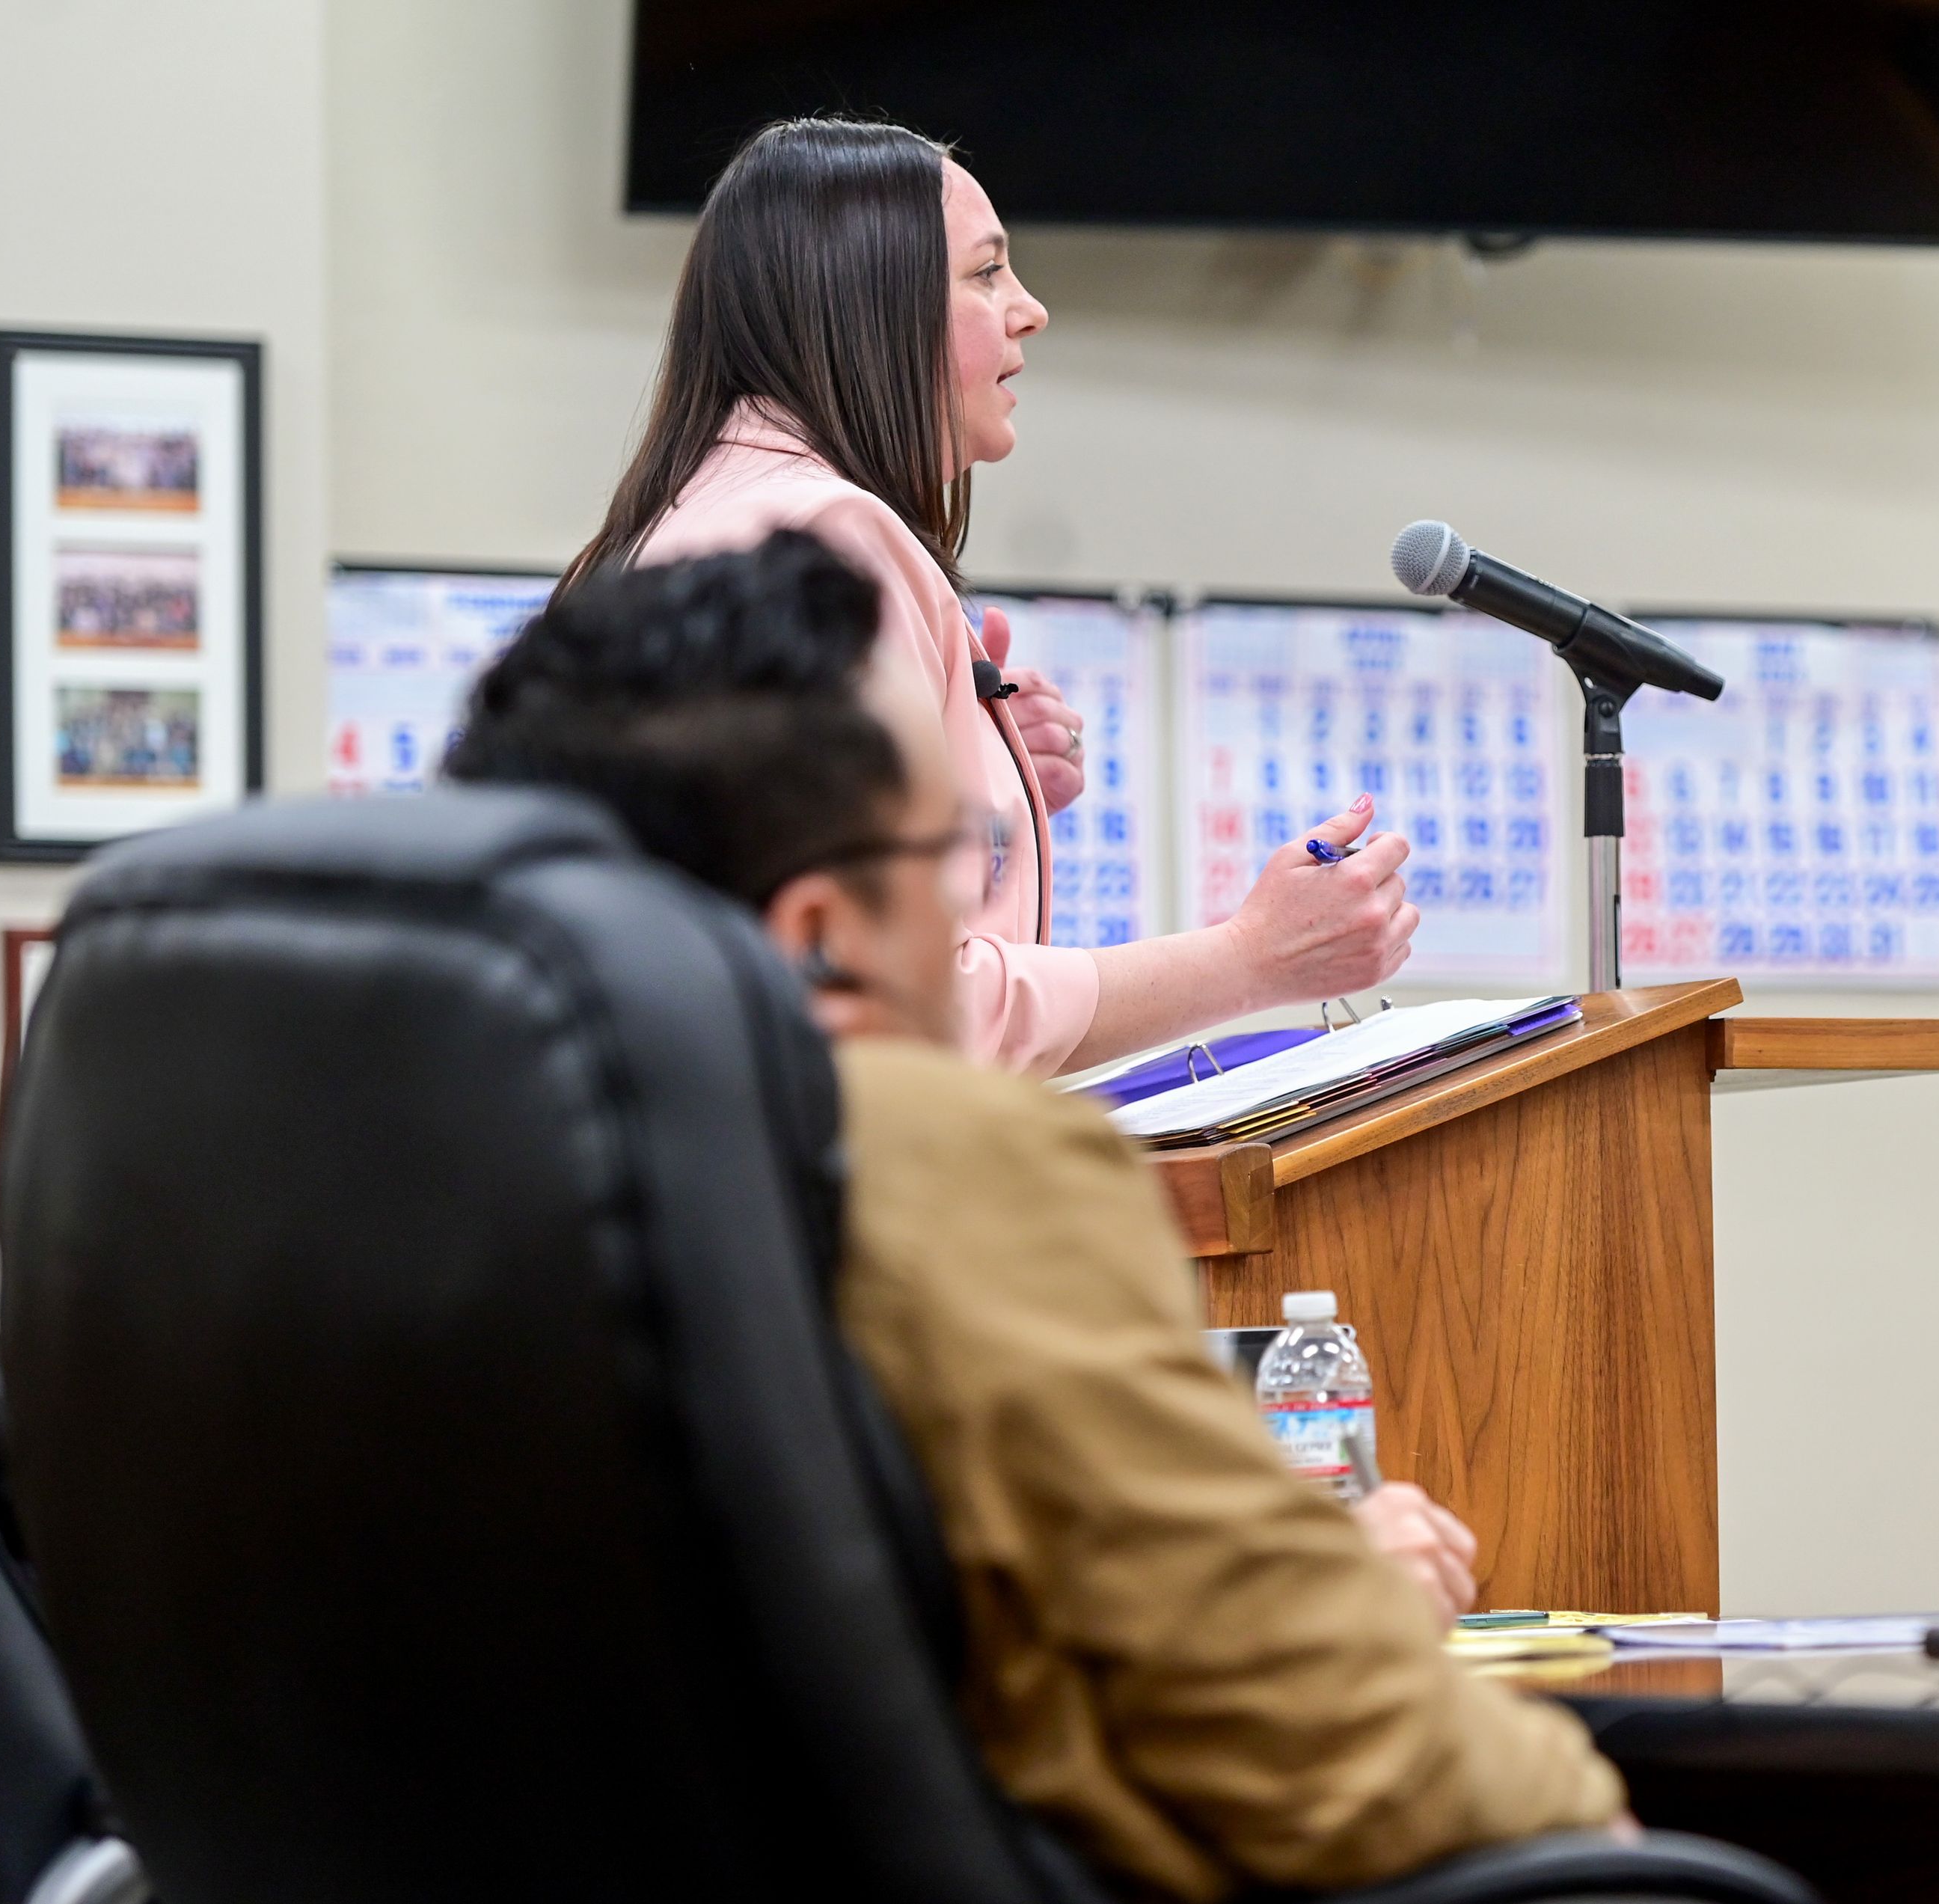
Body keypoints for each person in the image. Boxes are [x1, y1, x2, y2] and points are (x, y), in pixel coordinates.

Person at [442, 535, 1626, 1901]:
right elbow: (1326, 1741)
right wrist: (1588, 1816)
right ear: (823, 930)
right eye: (957, 852)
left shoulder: (400, 1179)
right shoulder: (938, 1161)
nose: (977, 906)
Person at [569, 116, 1411, 1077]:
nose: (1030, 309)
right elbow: (884, 1006)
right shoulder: (822, 541)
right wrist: (1251, 958)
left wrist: (982, 801)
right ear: (866, 301)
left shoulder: (695, 518)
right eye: (985, 273)